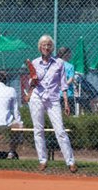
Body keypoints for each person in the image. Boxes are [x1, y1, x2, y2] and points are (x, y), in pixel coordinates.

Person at [24, 35, 77, 173]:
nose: (46, 47)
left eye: (48, 45)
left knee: (60, 130)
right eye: (44, 45)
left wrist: (66, 102)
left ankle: (70, 161)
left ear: (52, 47)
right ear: (40, 47)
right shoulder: (34, 63)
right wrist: (30, 91)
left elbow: (63, 84)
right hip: (37, 98)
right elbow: (32, 81)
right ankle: (42, 160)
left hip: (53, 99)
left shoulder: (59, 63)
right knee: (38, 130)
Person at [57, 46, 76, 115]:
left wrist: (59, 84)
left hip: (57, 94)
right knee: (70, 114)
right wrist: (64, 84)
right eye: (69, 53)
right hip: (68, 94)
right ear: (66, 55)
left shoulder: (56, 65)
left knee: (58, 115)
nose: (70, 55)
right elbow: (71, 79)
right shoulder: (70, 66)